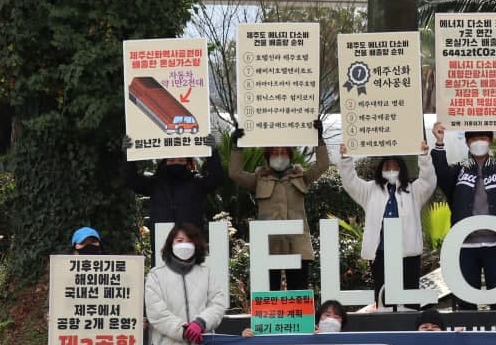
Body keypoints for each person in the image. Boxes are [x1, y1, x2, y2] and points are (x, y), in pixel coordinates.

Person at [431, 119, 496, 310]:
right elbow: (441, 174)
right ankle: (465, 338)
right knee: (465, 301)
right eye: (473, 139)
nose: (478, 142)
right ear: (467, 143)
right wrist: (439, 142)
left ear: (490, 141)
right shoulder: (458, 170)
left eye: (483, 137)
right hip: (464, 244)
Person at [228, 120, 330, 291]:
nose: (279, 156)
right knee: (269, 297)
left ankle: (298, 318)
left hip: (297, 244)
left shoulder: (301, 177)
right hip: (269, 244)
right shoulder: (259, 179)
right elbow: (235, 173)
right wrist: (237, 147)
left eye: (283, 152)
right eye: (275, 153)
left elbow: (322, 165)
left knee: (298, 296)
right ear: (268, 158)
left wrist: (319, 139)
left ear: (290, 156)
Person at [338, 141, 437, 305]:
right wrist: (346, 158)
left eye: (395, 165)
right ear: (380, 169)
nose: (391, 169)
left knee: (410, 299)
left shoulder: (414, 190)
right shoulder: (370, 190)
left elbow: (428, 180)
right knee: (384, 298)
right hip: (381, 253)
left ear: (402, 168)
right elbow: (350, 182)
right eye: (386, 166)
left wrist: (424, 157)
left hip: (408, 254)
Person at [123, 149, 225, 245]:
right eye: (171, 160)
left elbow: (216, 179)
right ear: (164, 162)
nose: (176, 163)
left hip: (190, 240)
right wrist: (129, 153)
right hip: (162, 241)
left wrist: (212, 152)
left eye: (181, 160)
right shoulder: (154, 183)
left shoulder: (196, 182)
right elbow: (132, 180)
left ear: (187, 162)